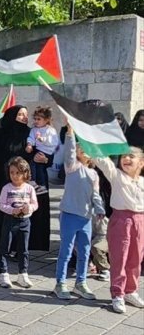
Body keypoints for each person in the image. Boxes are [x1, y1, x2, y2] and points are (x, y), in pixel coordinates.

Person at [53, 125, 104, 300]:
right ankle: (60, 283)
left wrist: (99, 208)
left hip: (86, 218)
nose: (83, 150)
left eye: (88, 148)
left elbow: (95, 195)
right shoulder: (72, 167)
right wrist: (70, 132)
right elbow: (70, 152)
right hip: (69, 215)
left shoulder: (94, 174)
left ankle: (80, 283)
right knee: (66, 251)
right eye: (81, 147)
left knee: (84, 251)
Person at [92, 147, 144, 314]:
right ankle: (117, 293)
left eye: (131, 156)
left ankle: (131, 291)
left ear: (141, 163)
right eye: (123, 156)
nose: (126, 159)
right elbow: (102, 160)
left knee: (136, 258)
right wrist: (90, 142)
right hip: (121, 220)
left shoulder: (142, 182)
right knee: (119, 258)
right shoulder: (116, 176)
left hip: (140, 221)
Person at [0, 105, 34, 258]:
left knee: (20, 212)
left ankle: (17, 249)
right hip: (3, 179)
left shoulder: (29, 133)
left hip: (22, 181)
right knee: (2, 213)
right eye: (20, 115)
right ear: (12, 116)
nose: (24, 118)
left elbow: (33, 152)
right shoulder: (1, 132)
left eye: (26, 114)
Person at [0, 157, 37, 289]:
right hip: (10, 220)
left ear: (25, 173)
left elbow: (35, 204)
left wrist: (29, 208)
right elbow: (0, 204)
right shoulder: (7, 188)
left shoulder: (29, 188)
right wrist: (12, 210)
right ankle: (3, 273)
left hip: (25, 221)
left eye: (17, 173)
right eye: (12, 172)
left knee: (23, 249)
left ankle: (23, 273)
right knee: (4, 247)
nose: (14, 176)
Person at [25, 106, 59, 189]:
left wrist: (42, 139)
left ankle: (35, 181)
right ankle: (38, 183)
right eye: (35, 119)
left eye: (39, 119)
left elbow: (53, 142)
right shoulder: (34, 130)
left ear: (47, 120)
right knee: (37, 167)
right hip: (38, 150)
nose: (36, 121)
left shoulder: (50, 130)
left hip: (47, 152)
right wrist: (29, 144)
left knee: (35, 164)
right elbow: (31, 138)